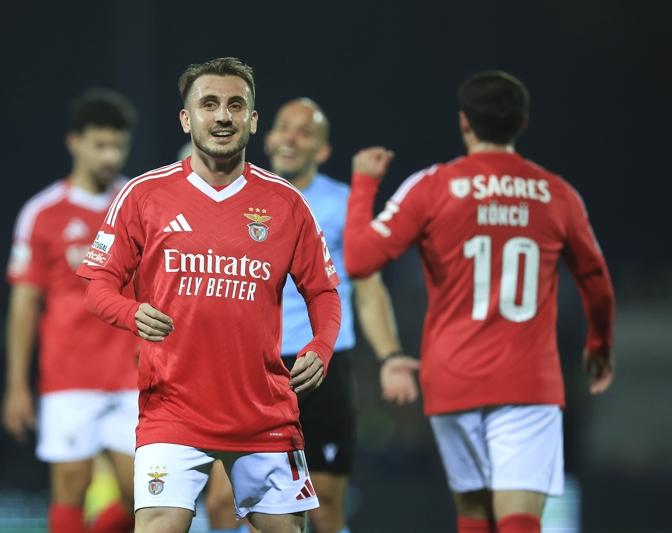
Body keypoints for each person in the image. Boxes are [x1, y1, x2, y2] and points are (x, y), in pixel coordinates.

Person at [76, 57, 342, 533]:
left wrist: (321, 346)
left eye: (236, 105)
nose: (223, 116)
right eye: (209, 104)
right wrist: (130, 313)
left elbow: (323, 290)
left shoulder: (286, 203)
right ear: (187, 118)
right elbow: (97, 284)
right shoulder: (144, 195)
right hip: (172, 409)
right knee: (159, 524)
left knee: (287, 529)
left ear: (253, 121)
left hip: (264, 414)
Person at [342, 71, 616, 533]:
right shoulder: (556, 193)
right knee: (518, 519)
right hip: (528, 381)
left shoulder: (433, 186)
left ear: (464, 122)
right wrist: (600, 344)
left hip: (454, 377)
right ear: (522, 123)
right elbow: (596, 280)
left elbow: (359, 258)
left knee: (473, 514)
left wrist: (364, 184)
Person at [204, 98, 419, 533]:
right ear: (267, 136)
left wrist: (390, 355)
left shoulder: (342, 204)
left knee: (323, 509)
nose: (290, 138)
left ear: (322, 150)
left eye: (304, 132)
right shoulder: (234, 195)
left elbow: (368, 287)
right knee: (224, 505)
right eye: (284, 127)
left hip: (319, 367)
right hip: (250, 367)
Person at [2, 88, 139, 533]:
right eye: (100, 144)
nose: (110, 156)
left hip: (132, 375)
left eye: (118, 145)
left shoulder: (137, 205)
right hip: (68, 375)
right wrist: (16, 385)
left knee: (142, 496)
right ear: (74, 142)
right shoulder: (42, 213)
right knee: (70, 488)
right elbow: (24, 303)